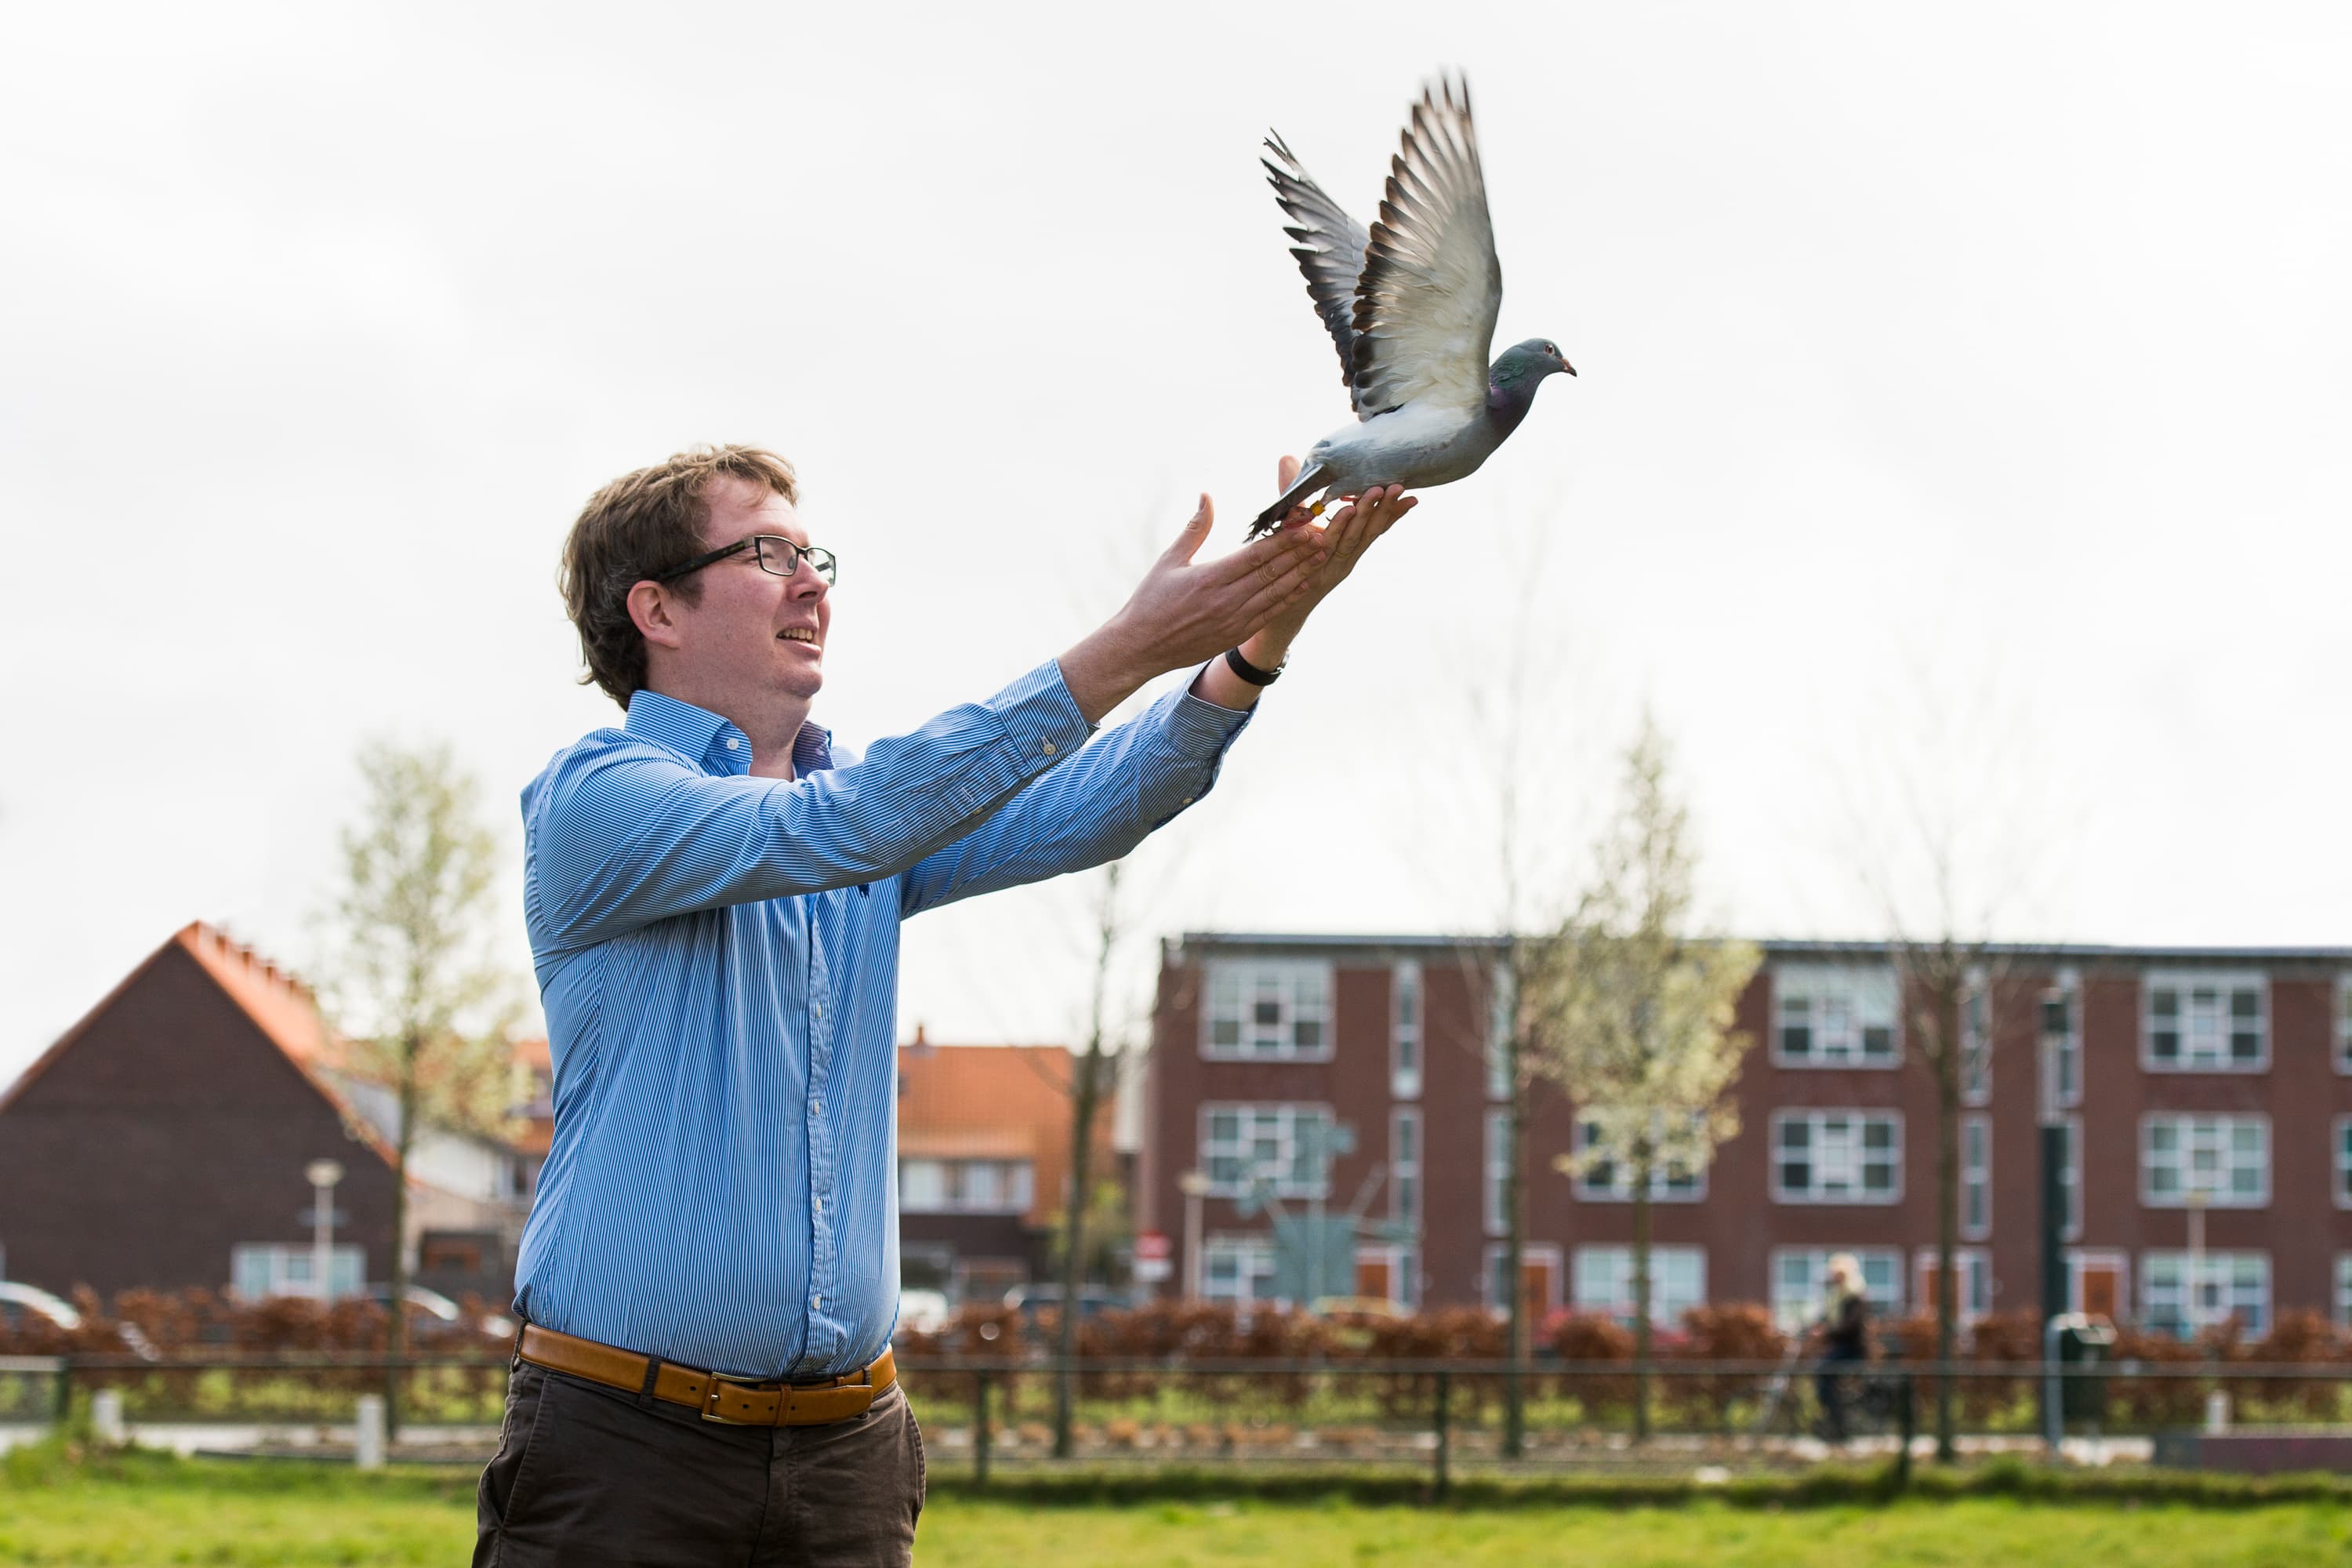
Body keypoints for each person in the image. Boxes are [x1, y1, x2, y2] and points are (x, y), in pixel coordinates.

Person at [471, 444, 1412, 1566]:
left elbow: (1092, 809)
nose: (814, 582)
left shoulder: (858, 813)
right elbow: (834, 830)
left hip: (846, 1463)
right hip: (625, 1455)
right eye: (768, 554)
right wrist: (1121, 653)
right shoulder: (600, 801)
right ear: (656, 609)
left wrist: (1257, 641)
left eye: (813, 554)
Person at [1812, 1252, 1872, 1443]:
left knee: (1823, 1370)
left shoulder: (1856, 1297)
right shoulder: (1835, 1297)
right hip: (1839, 1347)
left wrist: (1827, 1333)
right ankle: (1832, 1415)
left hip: (1852, 1349)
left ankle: (1837, 1421)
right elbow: (1825, 1317)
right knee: (1822, 1370)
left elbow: (1850, 1326)